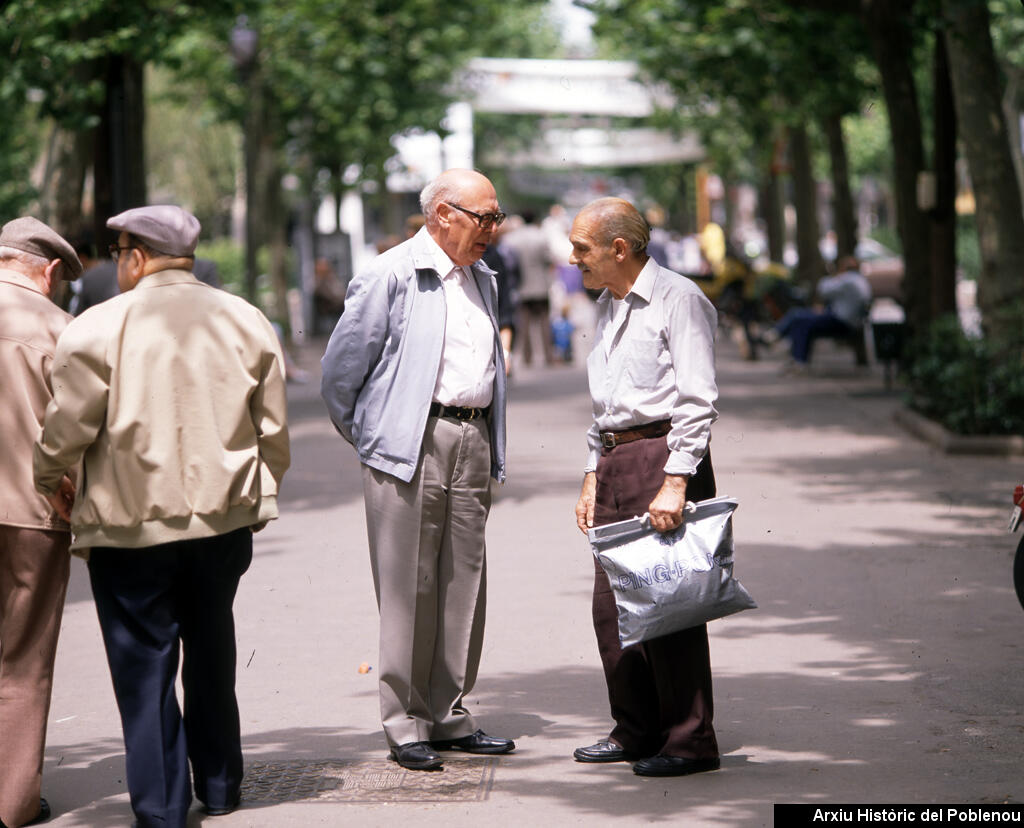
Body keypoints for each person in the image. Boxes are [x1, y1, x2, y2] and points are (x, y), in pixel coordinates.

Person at [33, 205, 290, 828]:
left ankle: (162, 808)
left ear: (135, 257)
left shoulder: (97, 327)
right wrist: (259, 493)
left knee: (144, 666)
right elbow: (274, 434)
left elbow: (67, 429)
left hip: (128, 526)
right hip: (223, 521)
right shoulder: (245, 319)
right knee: (211, 648)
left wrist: (49, 480)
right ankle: (223, 785)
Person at [321, 169, 513, 772]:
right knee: (408, 587)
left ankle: (449, 713)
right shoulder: (390, 273)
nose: (492, 229)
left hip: (471, 435)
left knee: (463, 582)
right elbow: (340, 374)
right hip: (409, 443)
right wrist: (378, 438)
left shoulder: (483, 277)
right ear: (442, 215)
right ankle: (404, 722)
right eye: (482, 217)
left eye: (495, 217)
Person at [571, 197, 722, 778]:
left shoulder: (679, 299)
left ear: (619, 248)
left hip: (662, 459)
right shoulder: (608, 305)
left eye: (581, 247)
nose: (572, 258)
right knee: (613, 609)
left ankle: (689, 741)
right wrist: (591, 472)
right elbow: (606, 403)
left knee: (669, 604)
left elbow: (697, 398)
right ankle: (635, 728)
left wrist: (677, 479)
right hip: (615, 459)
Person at [0, 217, 83, 828]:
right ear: (49, 270)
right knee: (23, 661)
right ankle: (10, 803)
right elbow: (75, 434)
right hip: (31, 512)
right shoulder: (60, 330)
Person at [765, 255, 871, 371]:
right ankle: (791, 351)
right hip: (847, 320)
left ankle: (781, 341)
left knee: (800, 319)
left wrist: (836, 276)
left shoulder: (848, 280)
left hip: (841, 322)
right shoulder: (860, 280)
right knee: (800, 318)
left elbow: (823, 288)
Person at [505, 209, 555, 366]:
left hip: (521, 285)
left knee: (524, 323)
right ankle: (548, 356)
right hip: (541, 284)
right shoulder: (541, 236)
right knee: (544, 322)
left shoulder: (512, 239)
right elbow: (549, 258)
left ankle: (527, 357)